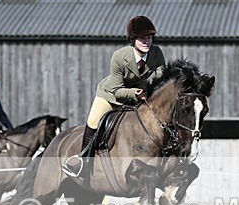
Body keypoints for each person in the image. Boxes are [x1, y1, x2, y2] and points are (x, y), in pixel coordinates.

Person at [63, 15, 165, 177]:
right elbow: (117, 89)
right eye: (142, 38)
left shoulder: (156, 53)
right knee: (93, 122)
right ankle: (82, 161)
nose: (147, 42)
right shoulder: (119, 57)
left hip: (139, 95)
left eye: (149, 38)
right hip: (111, 95)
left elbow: (162, 79)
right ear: (133, 40)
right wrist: (135, 93)